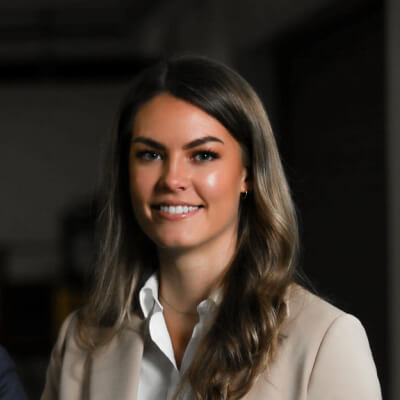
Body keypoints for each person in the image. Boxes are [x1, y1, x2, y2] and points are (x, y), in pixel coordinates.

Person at [41, 55, 381, 400]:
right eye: (150, 154)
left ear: (248, 173)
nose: (172, 179)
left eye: (202, 155)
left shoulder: (326, 340)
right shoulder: (80, 341)